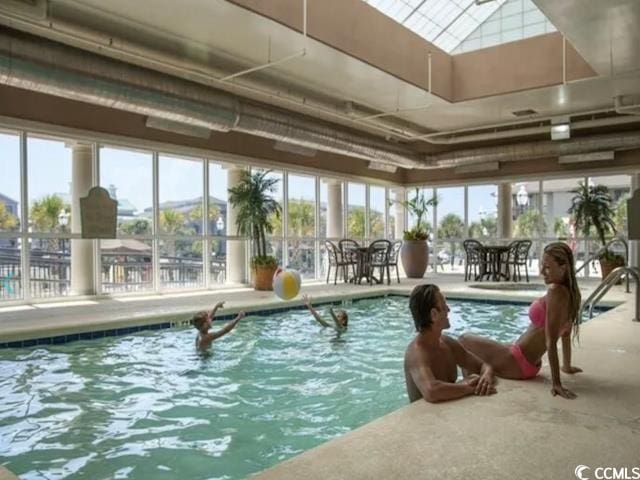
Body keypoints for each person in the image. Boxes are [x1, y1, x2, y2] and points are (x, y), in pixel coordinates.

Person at [459, 242, 582, 399]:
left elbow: (550, 342)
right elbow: (565, 334)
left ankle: (472, 385)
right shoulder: (572, 296)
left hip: (517, 362)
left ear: (563, 267)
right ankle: (481, 377)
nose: (541, 272)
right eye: (542, 266)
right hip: (527, 363)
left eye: (547, 267)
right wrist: (567, 366)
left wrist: (556, 384)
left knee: (464, 340)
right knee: (482, 351)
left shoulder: (555, 292)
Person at [404, 284, 496, 403]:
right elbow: (431, 391)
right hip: (427, 419)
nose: (448, 309)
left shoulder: (447, 343)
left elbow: (483, 366)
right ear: (434, 315)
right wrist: (468, 388)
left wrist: (486, 377)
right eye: (444, 306)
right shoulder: (416, 353)